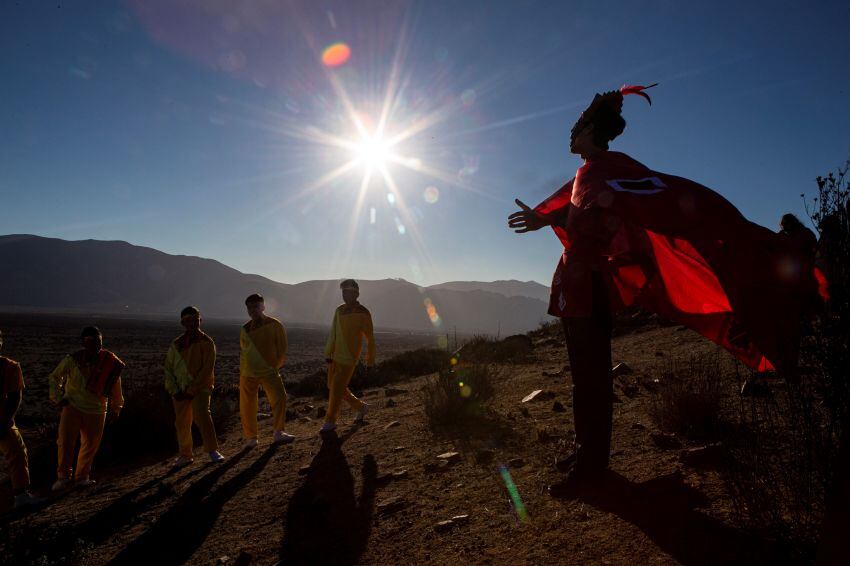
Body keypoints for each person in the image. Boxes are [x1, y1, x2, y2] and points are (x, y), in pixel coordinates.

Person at [509, 83, 824, 494]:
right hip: (575, 286)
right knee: (581, 376)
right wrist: (544, 218)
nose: (571, 133)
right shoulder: (585, 175)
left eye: (577, 126)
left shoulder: (612, 167)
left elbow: (634, 203)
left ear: (591, 131)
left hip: (593, 286)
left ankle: (592, 468)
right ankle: (585, 450)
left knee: (592, 377)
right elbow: (574, 207)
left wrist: (584, 216)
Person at [48, 326, 124, 490]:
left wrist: (116, 407)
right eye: (90, 341)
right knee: (65, 442)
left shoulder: (110, 362)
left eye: (98, 340)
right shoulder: (73, 359)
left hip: (97, 409)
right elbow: (55, 377)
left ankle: (82, 477)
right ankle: (63, 477)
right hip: (72, 406)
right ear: (83, 343)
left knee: (90, 445)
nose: (95, 344)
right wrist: (58, 398)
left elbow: (115, 386)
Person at [164, 306, 225, 469]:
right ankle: (185, 454)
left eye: (195, 319)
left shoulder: (207, 342)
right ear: (183, 323)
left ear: (200, 320)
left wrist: (191, 390)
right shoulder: (176, 344)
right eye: (188, 320)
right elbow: (168, 368)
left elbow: (207, 369)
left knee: (202, 415)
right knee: (182, 423)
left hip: (201, 388)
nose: (192, 323)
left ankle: (212, 451)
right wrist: (174, 389)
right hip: (180, 390)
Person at [321, 279, 376, 434]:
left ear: (357, 293)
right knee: (333, 387)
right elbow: (333, 332)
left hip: (350, 358)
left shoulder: (363, 312)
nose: (346, 294)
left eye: (349, 291)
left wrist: (370, 360)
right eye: (344, 291)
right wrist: (328, 352)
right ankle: (361, 407)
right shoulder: (339, 310)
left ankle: (330, 422)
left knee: (336, 389)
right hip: (335, 356)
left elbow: (370, 337)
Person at [239, 293, 294, 447]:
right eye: (249, 307)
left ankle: (278, 432)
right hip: (247, 373)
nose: (252, 310)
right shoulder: (244, 328)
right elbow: (244, 351)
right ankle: (251, 438)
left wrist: (274, 366)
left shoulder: (274, 324)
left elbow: (282, 347)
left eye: (255, 306)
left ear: (263, 306)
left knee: (279, 397)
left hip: (268, 371)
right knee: (247, 405)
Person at [0, 330, 43, 508]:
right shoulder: (10, 366)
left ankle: (21, 495)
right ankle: (21, 496)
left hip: (3, 421)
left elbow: (14, 397)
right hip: (4, 422)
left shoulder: (10, 367)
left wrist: (4, 421)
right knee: (17, 454)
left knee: (17, 455)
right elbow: (15, 397)